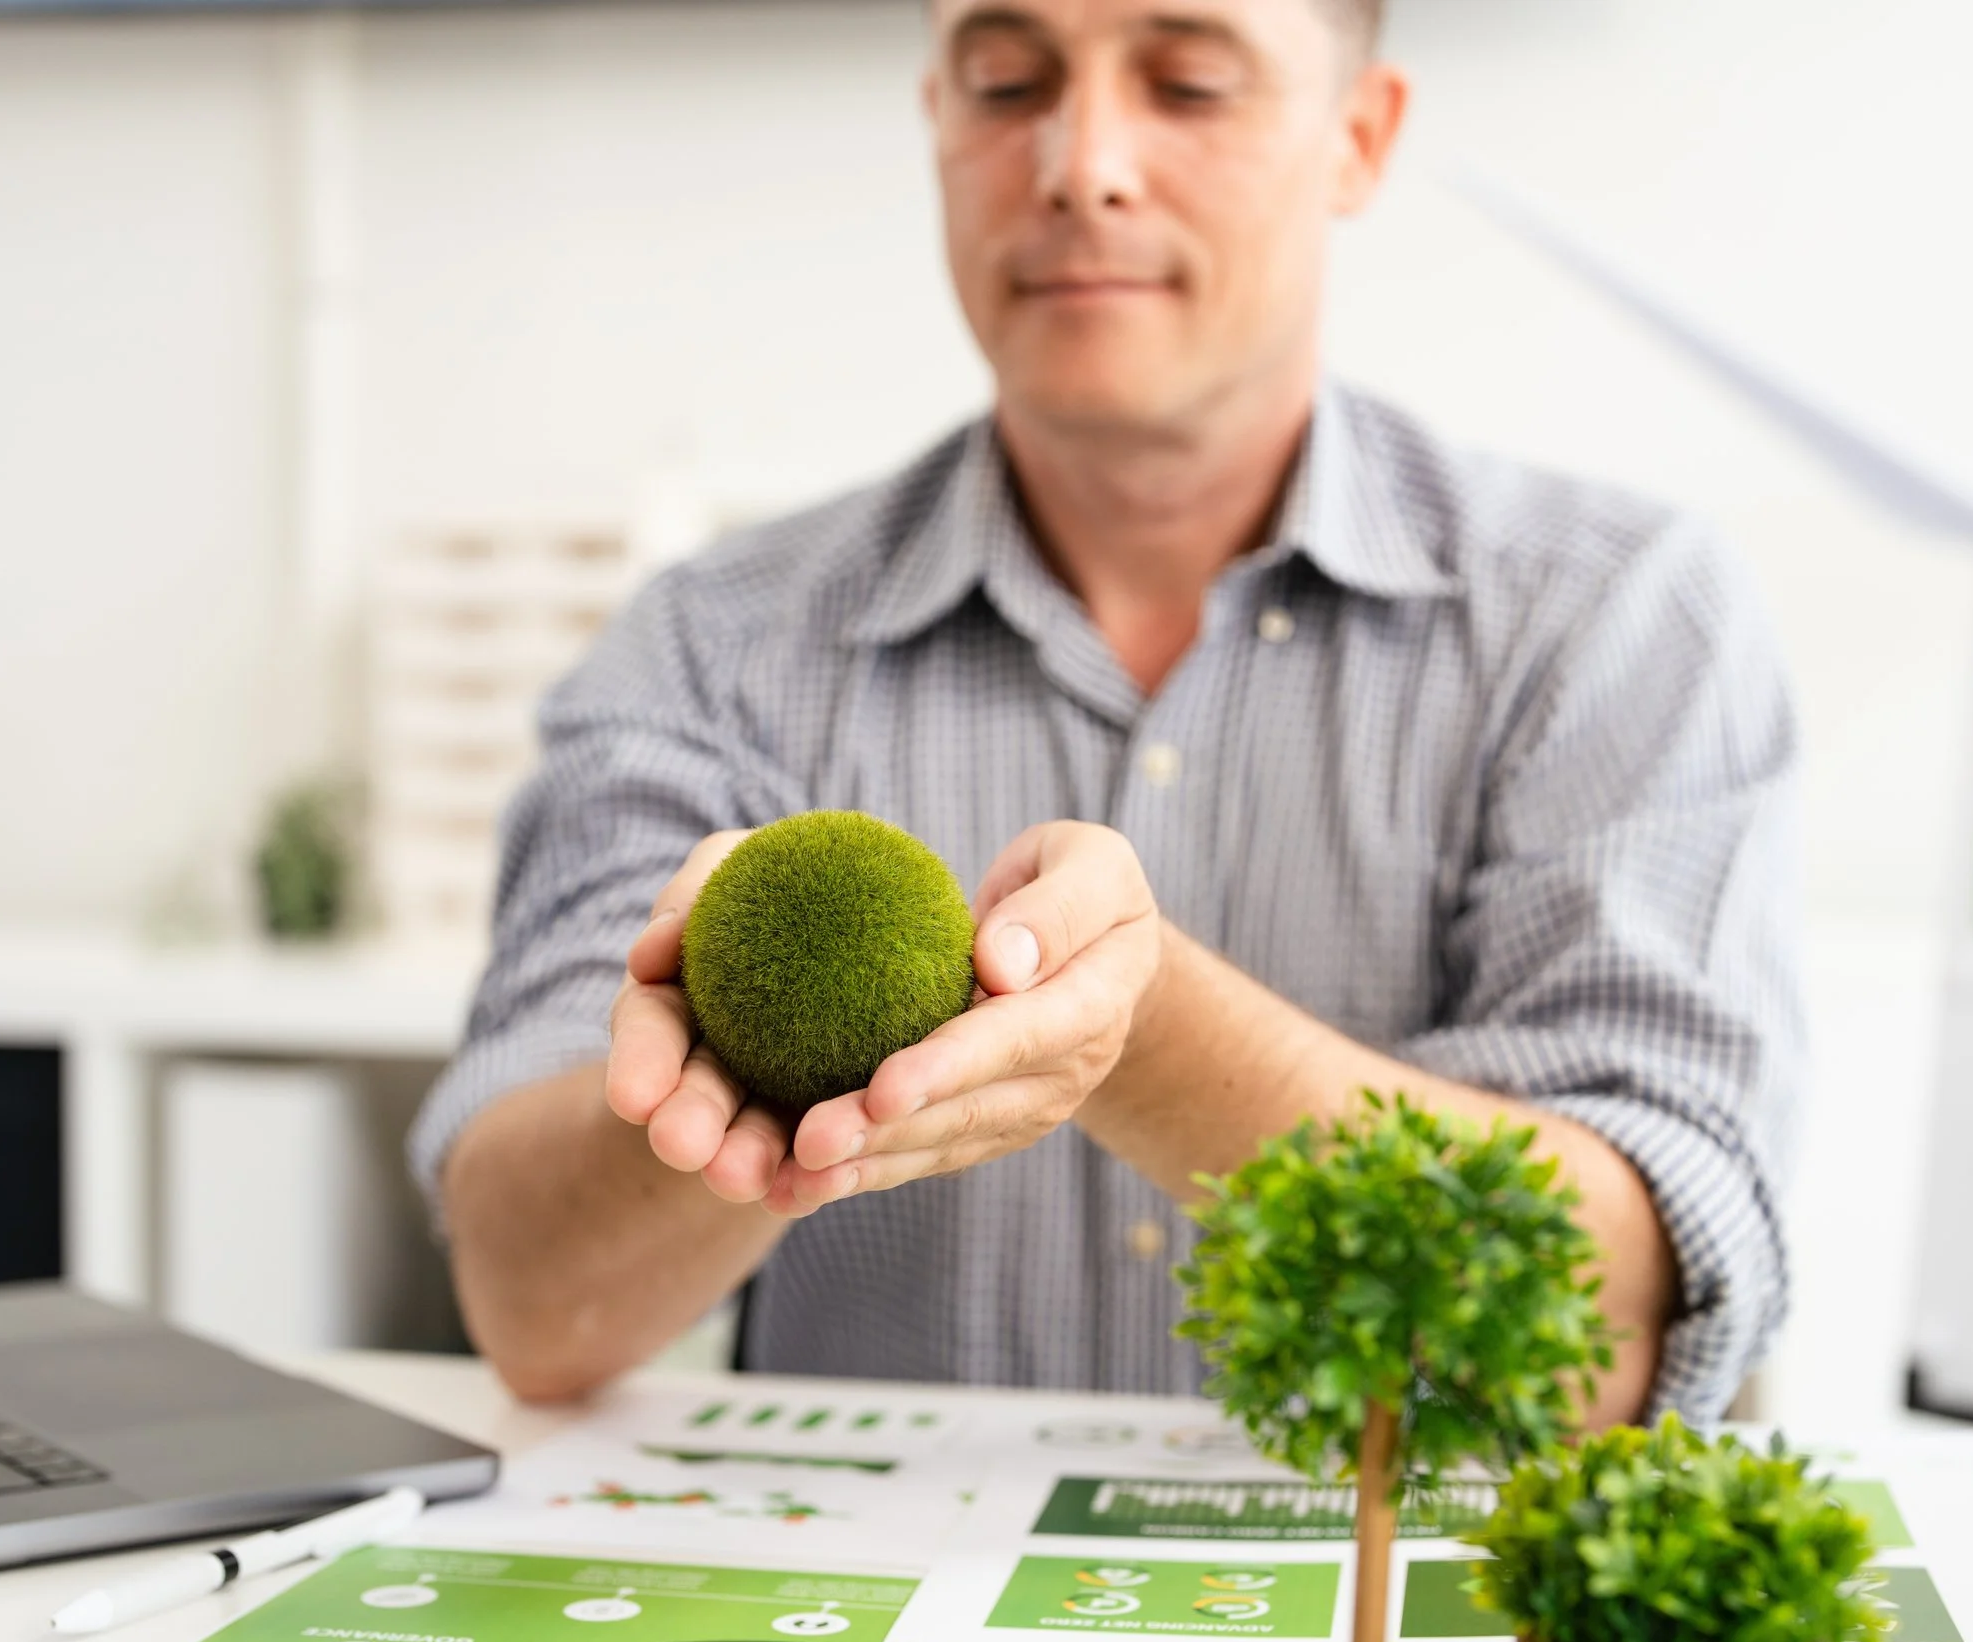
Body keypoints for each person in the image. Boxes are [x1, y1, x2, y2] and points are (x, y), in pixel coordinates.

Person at [409, 0, 1800, 1431]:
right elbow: (530, 1308)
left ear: (1358, 136)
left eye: (1189, 82)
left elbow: (1617, 1328)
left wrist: (1137, 1023)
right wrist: (734, 1044)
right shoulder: (712, 644)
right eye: (1008, 81)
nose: (1082, 163)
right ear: (939, 120)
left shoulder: (1618, 618)